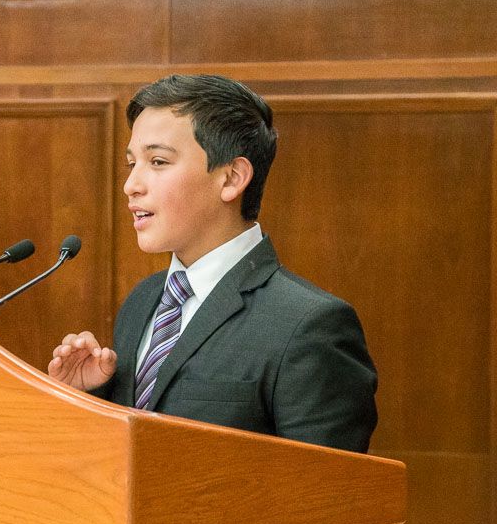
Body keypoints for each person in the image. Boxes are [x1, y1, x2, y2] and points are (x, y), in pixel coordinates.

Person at [48, 74, 377, 453]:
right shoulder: (143, 300)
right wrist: (85, 398)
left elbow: (325, 485)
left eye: (157, 161)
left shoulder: (310, 325)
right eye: (132, 163)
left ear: (232, 178)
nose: (131, 185)